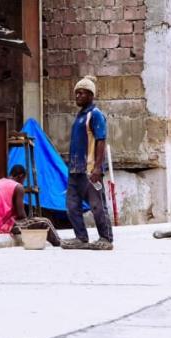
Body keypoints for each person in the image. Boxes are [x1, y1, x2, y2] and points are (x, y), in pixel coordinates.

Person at [63, 76, 113, 251]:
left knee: (97, 205)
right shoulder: (79, 117)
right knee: (71, 205)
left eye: (81, 93)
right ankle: (81, 238)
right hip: (75, 170)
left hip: (90, 170)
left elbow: (101, 140)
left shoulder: (95, 115)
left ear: (91, 95)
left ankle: (106, 238)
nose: (77, 96)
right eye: (76, 93)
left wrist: (98, 168)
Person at [0, 165, 61, 246]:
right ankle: (60, 243)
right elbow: (21, 215)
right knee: (44, 222)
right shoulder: (18, 187)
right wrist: (31, 223)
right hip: (1, 226)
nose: (23, 182)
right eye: (24, 180)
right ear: (21, 176)